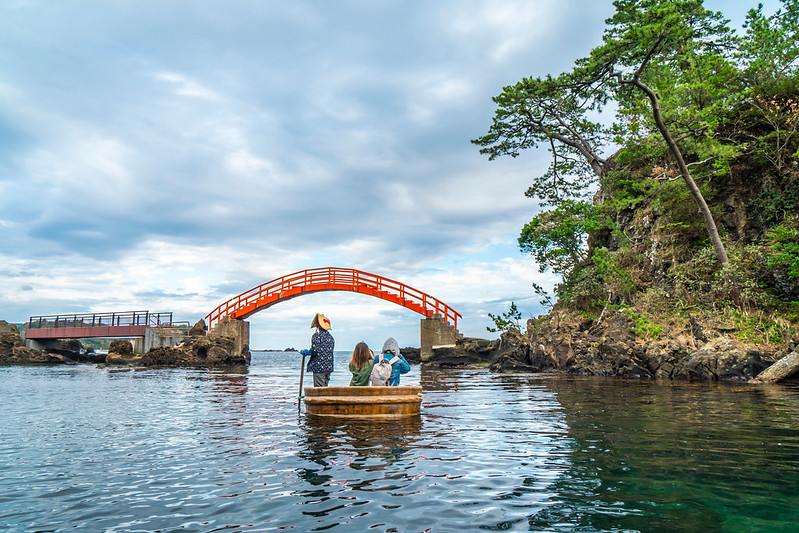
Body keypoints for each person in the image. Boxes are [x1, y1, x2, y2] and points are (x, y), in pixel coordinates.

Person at [301, 313, 334, 387]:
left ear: (318, 325)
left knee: (319, 390)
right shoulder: (330, 337)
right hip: (328, 367)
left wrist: (308, 352)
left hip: (319, 367)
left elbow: (315, 350)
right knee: (325, 389)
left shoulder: (316, 336)